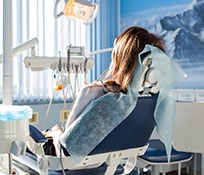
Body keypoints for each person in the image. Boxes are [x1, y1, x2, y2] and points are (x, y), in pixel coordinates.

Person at [46, 26, 166, 157]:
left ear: (121, 57)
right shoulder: (150, 102)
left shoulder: (93, 92)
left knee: (28, 136)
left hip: (69, 164)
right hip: (109, 165)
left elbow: (66, 151)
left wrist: (56, 133)